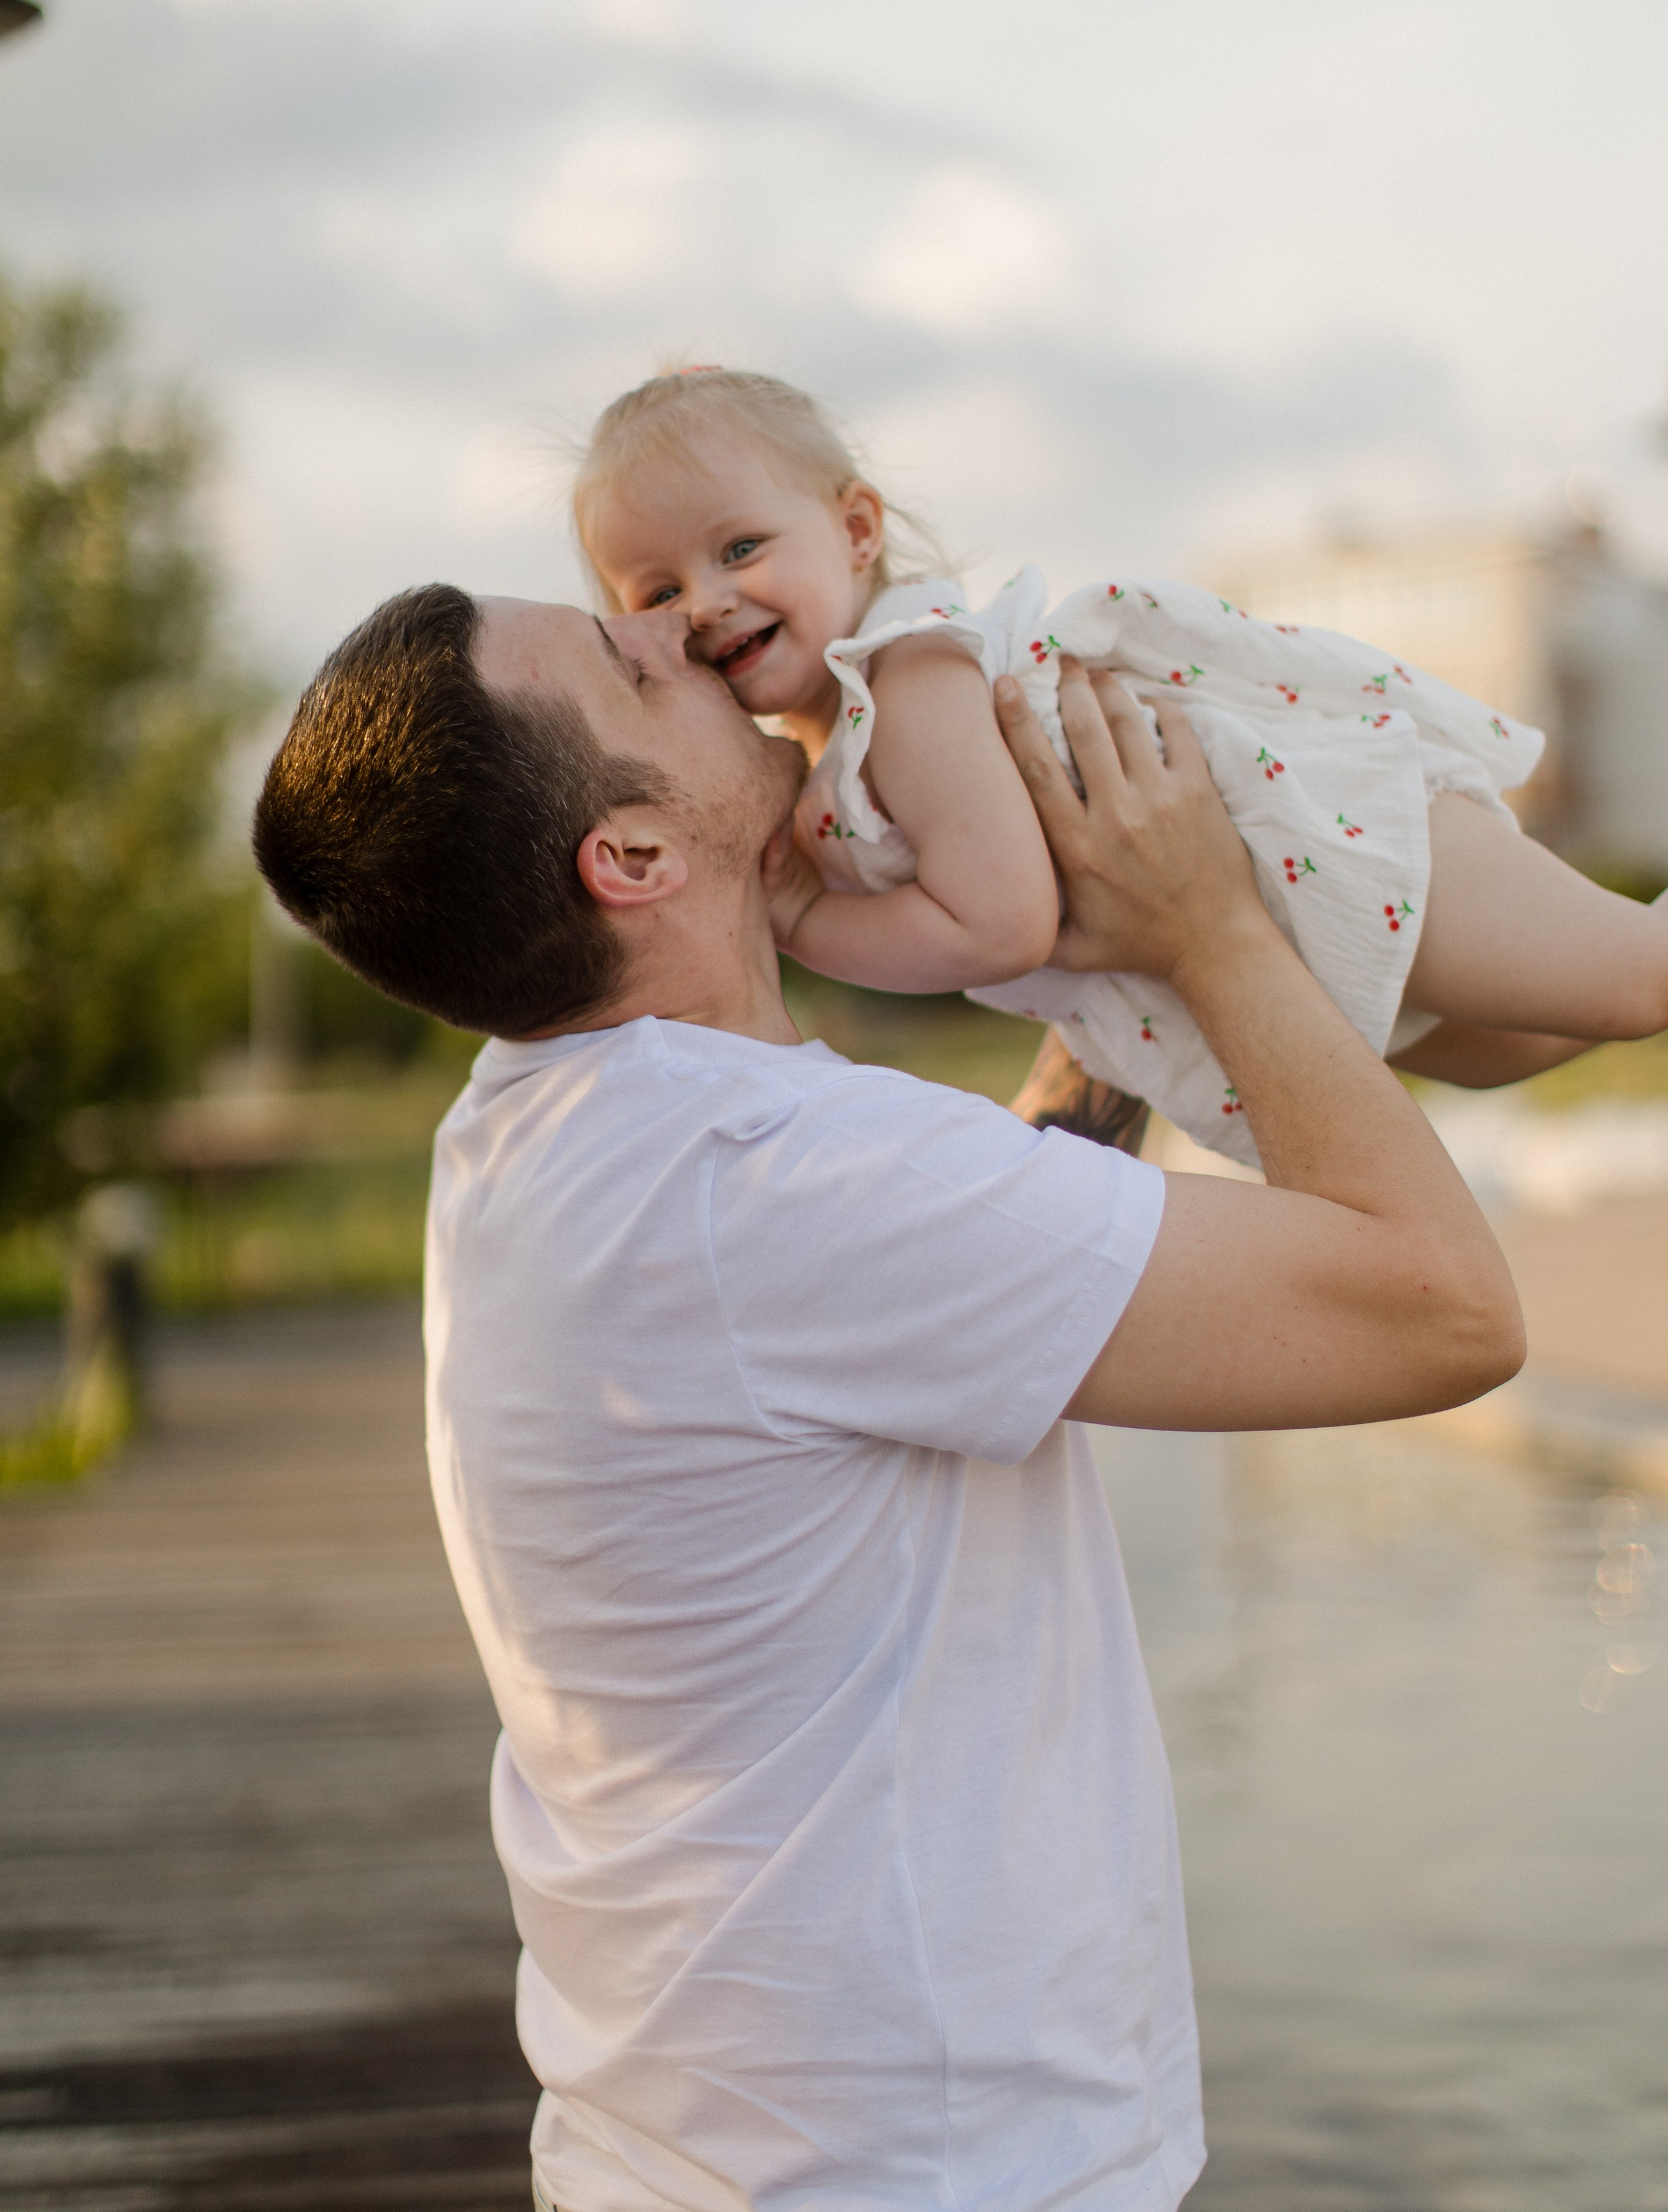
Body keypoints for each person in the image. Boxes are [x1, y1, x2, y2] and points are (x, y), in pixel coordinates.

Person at [252, 582, 1523, 2212]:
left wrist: (1086, 981)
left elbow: (965, 1256)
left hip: (711, 2146)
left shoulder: (538, 1119)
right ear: (628, 857)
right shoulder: (765, 1179)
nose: (694, 643)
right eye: (638, 668)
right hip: (921, 2169)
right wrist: (1206, 926)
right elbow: (1439, 1310)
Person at [575, 368, 1668, 1164]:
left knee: (1636, 976)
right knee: (1511, 1045)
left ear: (857, 528)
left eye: (740, 549)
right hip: (1287, 919)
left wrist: (807, 922)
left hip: (1310, 840)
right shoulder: (839, 752)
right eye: (658, 591)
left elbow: (1002, 920)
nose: (707, 600)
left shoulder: (905, 684)